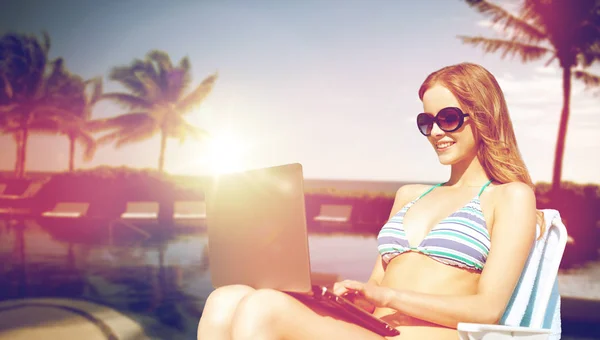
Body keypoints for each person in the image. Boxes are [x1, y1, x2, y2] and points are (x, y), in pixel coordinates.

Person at [197, 62, 541, 339]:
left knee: (264, 308)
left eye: (448, 118)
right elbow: (377, 285)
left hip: (423, 335)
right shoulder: (411, 195)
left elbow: (488, 309)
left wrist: (389, 298)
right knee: (225, 299)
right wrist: (358, 295)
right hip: (373, 327)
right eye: (427, 122)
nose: (436, 132)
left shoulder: (510, 196)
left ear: (482, 116)